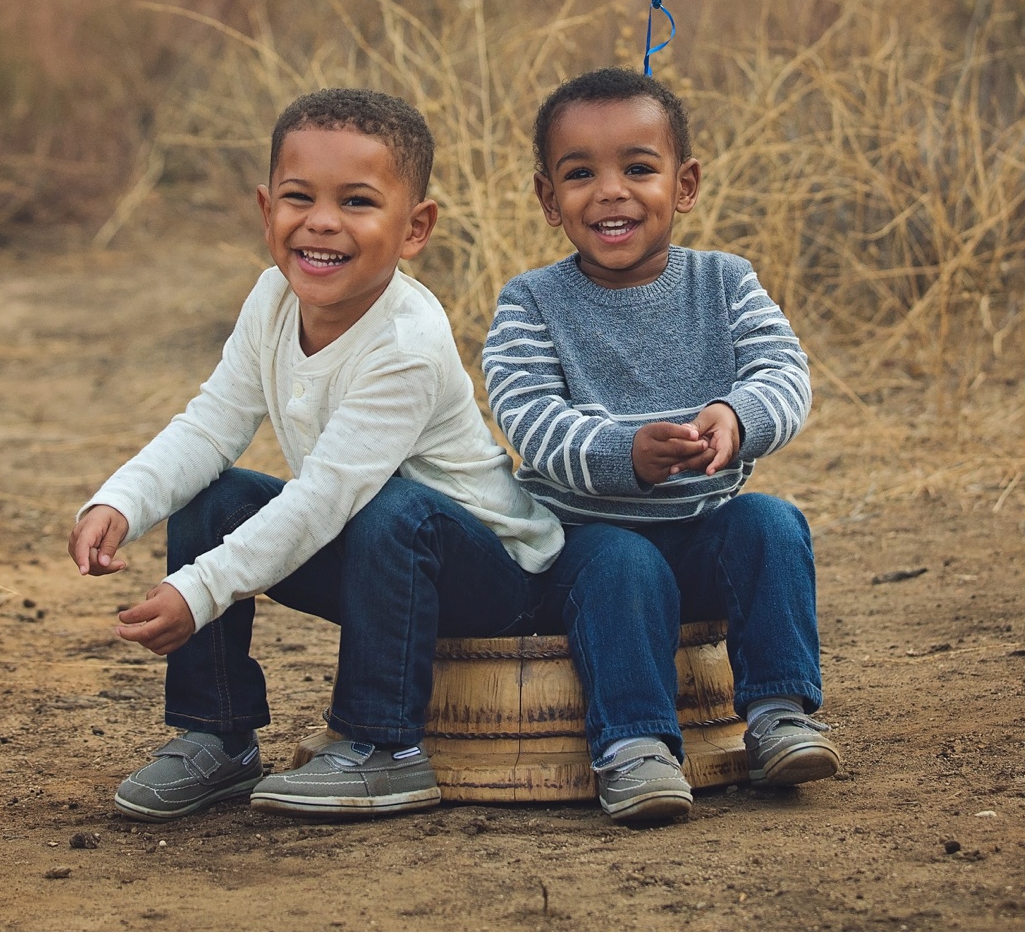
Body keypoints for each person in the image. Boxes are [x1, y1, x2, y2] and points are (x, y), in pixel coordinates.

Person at [71, 87, 562, 821]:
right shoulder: (272, 299)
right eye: (300, 197)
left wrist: (200, 591)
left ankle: (381, 748)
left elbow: (326, 496)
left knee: (389, 503)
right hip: (377, 563)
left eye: (359, 202)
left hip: (489, 579)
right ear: (268, 211)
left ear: (415, 227)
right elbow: (210, 427)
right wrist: (122, 499)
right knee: (214, 497)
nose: (322, 222)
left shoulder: (407, 345)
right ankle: (217, 736)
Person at [481, 67, 837, 825]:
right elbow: (528, 418)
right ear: (550, 199)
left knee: (771, 523)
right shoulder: (530, 302)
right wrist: (622, 452)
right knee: (621, 558)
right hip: (582, 552)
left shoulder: (726, 282)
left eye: (639, 169)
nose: (611, 191)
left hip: (701, 538)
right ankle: (634, 746)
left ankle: (778, 714)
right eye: (581, 174)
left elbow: (783, 372)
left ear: (685, 184)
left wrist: (736, 418)